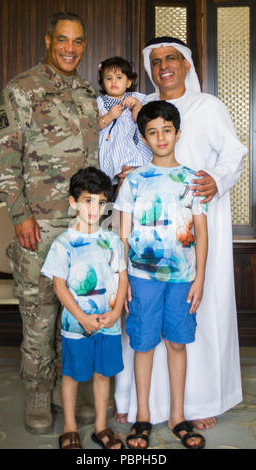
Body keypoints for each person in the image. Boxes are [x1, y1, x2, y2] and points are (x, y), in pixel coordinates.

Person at [114, 36, 247, 430]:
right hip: (147, 239)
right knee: (141, 321)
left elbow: (235, 153)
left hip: (197, 229)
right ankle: (136, 403)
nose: (164, 66)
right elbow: (127, 158)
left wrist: (216, 180)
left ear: (187, 65)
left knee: (192, 316)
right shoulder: (141, 110)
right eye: (156, 62)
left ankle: (198, 401)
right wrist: (127, 174)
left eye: (172, 58)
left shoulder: (209, 107)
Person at [0, 11, 99, 434]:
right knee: (39, 314)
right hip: (38, 224)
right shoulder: (22, 89)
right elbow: (4, 158)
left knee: (76, 309)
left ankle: (66, 389)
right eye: (62, 41)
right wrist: (19, 214)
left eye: (77, 42)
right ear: (48, 41)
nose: (70, 48)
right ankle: (39, 391)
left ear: (84, 45)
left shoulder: (89, 92)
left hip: (83, 226)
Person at [114, 101, 208, 449]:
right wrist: (123, 278)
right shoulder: (134, 181)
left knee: (177, 343)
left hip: (182, 278)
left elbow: (201, 230)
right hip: (142, 277)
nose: (161, 137)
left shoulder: (192, 180)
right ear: (144, 138)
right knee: (143, 344)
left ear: (177, 133)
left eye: (167, 130)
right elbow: (122, 233)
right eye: (152, 132)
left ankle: (178, 416)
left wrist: (200, 278)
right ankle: (142, 416)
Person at [41, 167, 128, 449]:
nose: (95, 208)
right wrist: (81, 318)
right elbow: (59, 286)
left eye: (101, 202)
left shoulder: (112, 240)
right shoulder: (63, 244)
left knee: (103, 374)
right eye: (88, 200)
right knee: (73, 374)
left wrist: (115, 314)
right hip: (77, 326)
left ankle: (101, 427)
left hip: (108, 323)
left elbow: (122, 277)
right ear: (73, 202)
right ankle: (69, 428)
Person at [97, 56, 151, 194]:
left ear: (128, 82)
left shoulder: (137, 98)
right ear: (103, 83)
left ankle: (125, 203)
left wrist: (136, 106)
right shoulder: (100, 102)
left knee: (132, 178)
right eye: (109, 78)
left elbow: (140, 122)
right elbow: (95, 126)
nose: (113, 81)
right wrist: (108, 116)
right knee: (119, 179)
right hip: (111, 146)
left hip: (131, 145)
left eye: (119, 78)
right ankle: (118, 206)